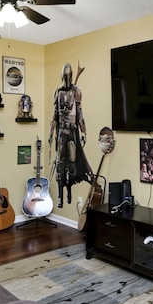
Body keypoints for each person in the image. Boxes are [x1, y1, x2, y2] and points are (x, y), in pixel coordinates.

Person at [49, 62, 92, 207]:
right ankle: (61, 196)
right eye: (65, 75)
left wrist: (84, 131)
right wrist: (50, 132)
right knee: (60, 162)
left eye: (69, 75)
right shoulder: (58, 91)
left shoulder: (76, 91)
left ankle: (69, 191)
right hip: (61, 131)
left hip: (72, 131)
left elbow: (79, 113)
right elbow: (55, 114)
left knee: (72, 162)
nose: (67, 77)